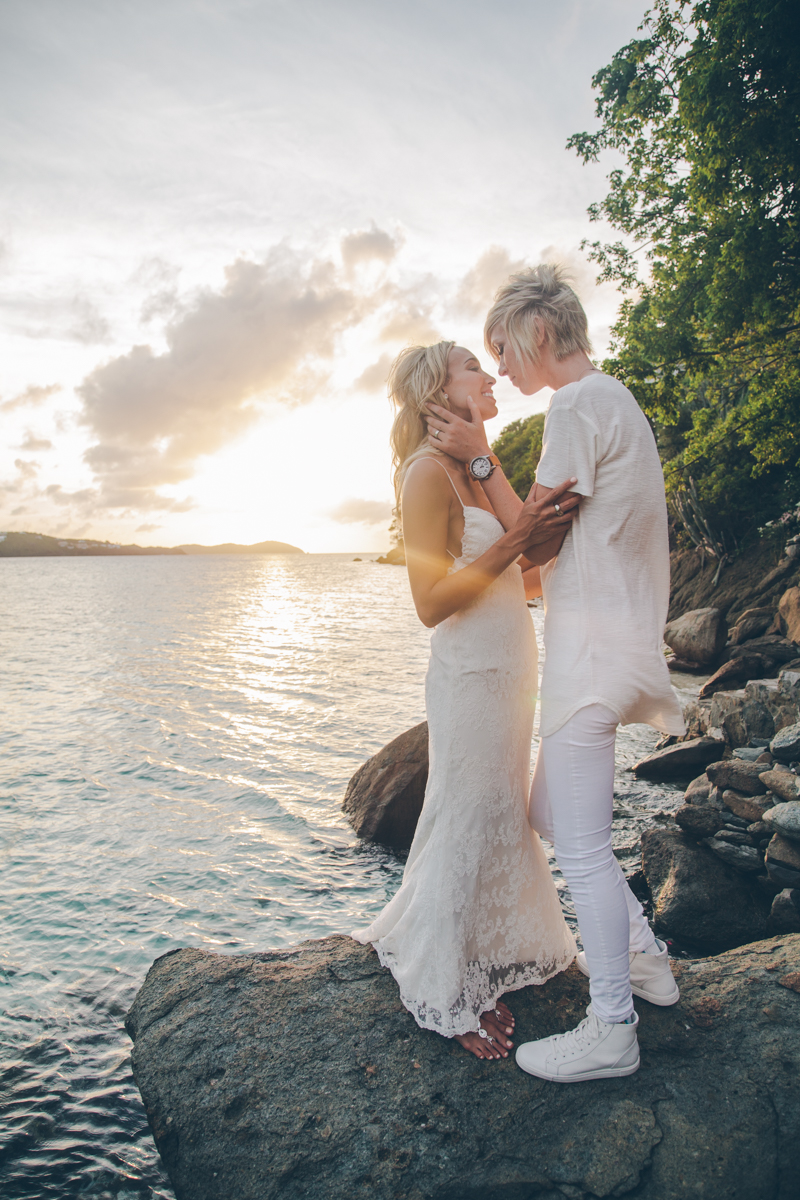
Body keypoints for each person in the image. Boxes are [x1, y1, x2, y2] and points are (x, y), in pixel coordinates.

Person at [426, 265, 685, 1082]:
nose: (500, 367)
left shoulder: (574, 405)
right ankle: (646, 959)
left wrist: (478, 460)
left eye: (503, 347)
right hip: (620, 642)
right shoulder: (617, 400)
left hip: (588, 656)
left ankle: (611, 1027)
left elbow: (536, 542)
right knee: (544, 809)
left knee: (580, 847)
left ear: (538, 332)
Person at [351, 340, 578, 1060]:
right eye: (471, 367)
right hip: (472, 674)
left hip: (512, 667)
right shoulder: (424, 475)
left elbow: (526, 568)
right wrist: (515, 540)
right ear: (437, 391)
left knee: (501, 808)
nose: (487, 374)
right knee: (469, 810)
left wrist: (489, 465)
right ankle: (445, 988)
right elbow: (429, 602)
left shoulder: (471, 469)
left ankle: (492, 950)